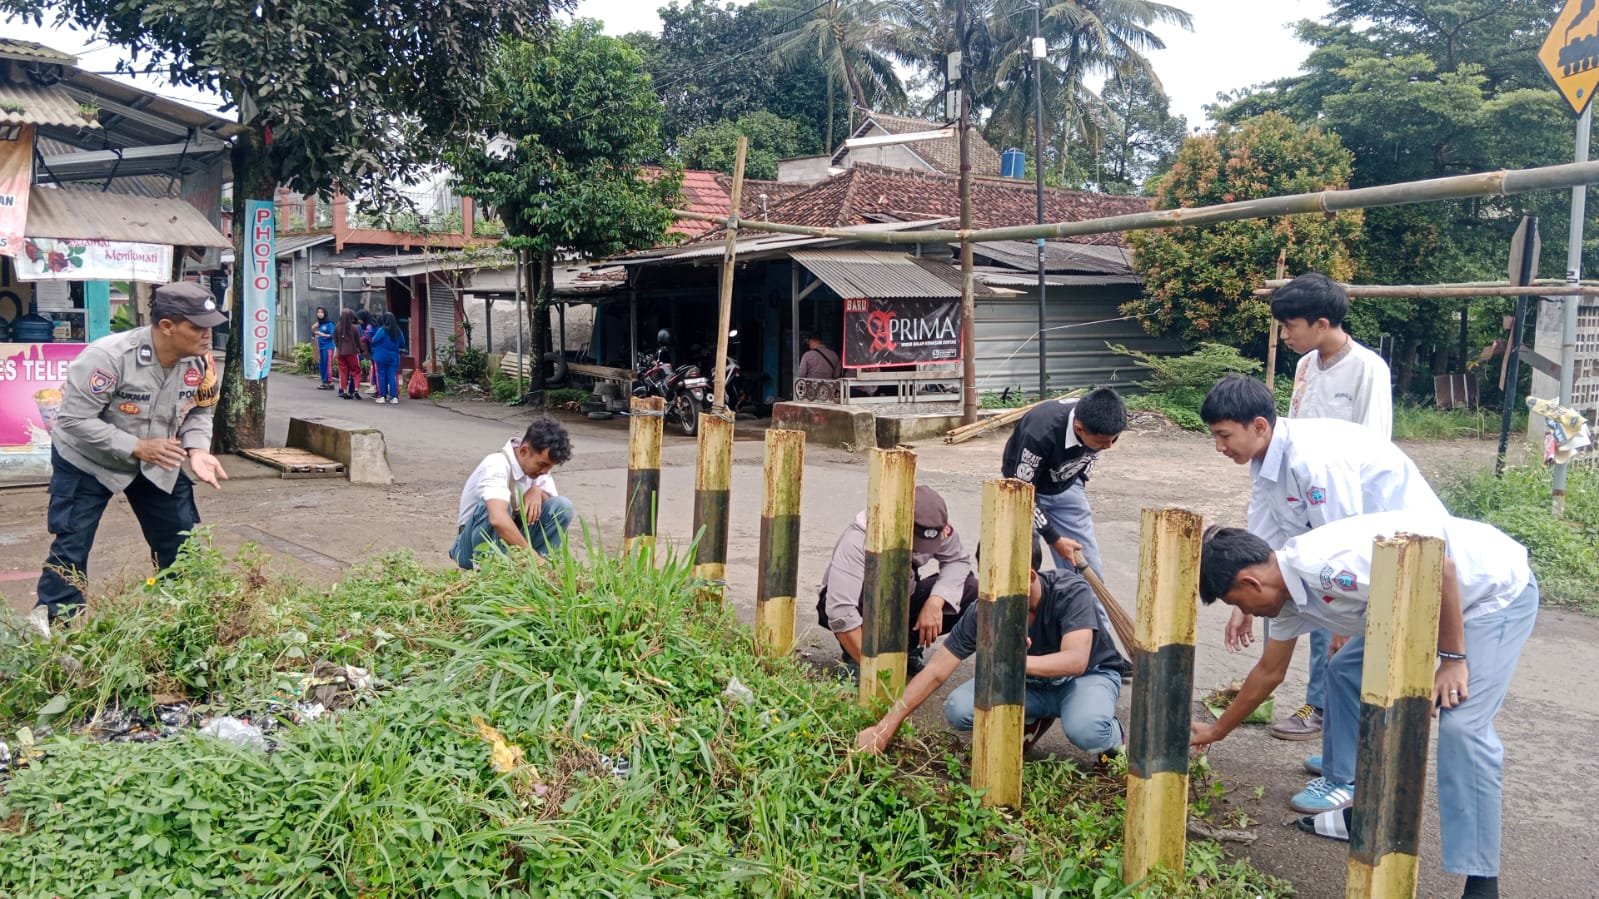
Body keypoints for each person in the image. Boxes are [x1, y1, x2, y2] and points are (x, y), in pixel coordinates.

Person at [1191, 514, 1537, 899]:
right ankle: (1366, 809)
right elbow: (1269, 672)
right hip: (1411, 602)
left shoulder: (1324, 567)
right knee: (1343, 671)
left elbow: (1442, 569)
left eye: (1237, 603)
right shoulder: (1287, 598)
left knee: (1463, 730)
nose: (1248, 613)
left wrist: (1453, 659)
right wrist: (1217, 730)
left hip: (1488, 594)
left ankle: (1482, 882)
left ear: (1250, 582)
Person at [1200, 374, 1443, 745]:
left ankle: (1362, 762)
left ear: (1259, 426)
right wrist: (1241, 600)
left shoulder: (1313, 460)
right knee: (1342, 669)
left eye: (1224, 435)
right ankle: (1342, 764)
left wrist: (1343, 625)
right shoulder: (1265, 461)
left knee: (1365, 671)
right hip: (1364, 566)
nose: (1219, 447)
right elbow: (1262, 540)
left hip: (1409, 561)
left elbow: (1343, 540)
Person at [34, 281, 230, 624]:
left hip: (157, 457)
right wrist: (137, 446)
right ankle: (56, 623)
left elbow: (200, 409)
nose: (207, 334)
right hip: (89, 459)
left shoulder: (200, 363)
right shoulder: (108, 358)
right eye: (197, 327)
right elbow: (74, 420)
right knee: (72, 544)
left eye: (210, 326)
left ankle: (182, 618)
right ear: (166, 326)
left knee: (181, 540)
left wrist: (197, 449)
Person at [856, 538, 1128, 759]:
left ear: (1030, 576)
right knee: (959, 709)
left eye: (998, 582)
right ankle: (1031, 717)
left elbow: (1075, 661)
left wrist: (1013, 660)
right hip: (1030, 683)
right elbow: (936, 671)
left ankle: (1114, 741)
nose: (990, 592)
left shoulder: (1070, 591)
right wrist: (884, 728)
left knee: (1087, 729)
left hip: (1086, 678)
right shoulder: (984, 610)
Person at [816, 486, 978, 676]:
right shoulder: (859, 539)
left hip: (900, 594)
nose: (919, 549)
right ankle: (857, 655)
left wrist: (936, 601)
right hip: (860, 604)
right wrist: (874, 670)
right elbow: (840, 611)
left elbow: (957, 561)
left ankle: (905, 648)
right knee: (862, 598)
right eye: (916, 542)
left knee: (970, 589)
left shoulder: (935, 527)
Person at [1000, 387, 1126, 577]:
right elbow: (1023, 492)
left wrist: (1080, 480)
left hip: (1067, 485)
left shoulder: (1099, 421)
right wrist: (1054, 538)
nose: (1108, 446)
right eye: (1101, 442)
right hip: (1022, 488)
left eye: (1113, 439)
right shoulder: (1040, 433)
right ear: (1079, 429)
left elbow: (1089, 458)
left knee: (1087, 565)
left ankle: (1085, 597)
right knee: (1023, 561)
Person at [1274, 272, 1392, 437]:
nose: (1283, 335)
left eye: (1289, 326)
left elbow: (1374, 440)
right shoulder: (1305, 364)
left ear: (1322, 325)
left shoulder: (1368, 368)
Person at [452, 416, 575, 567]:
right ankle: (489, 570)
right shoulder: (496, 464)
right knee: (494, 506)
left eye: (550, 467)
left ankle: (540, 573)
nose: (545, 471)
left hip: (511, 543)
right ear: (523, 451)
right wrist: (533, 558)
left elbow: (552, 507)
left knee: (562, 506)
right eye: (542, 464)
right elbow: (497, 519)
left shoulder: (539, 471)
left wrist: (537, 492)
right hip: (470, 548)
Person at [368, 312, 405, 405]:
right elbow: (402, 344)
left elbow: (374, 340)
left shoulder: (382, 330)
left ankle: (382, 396)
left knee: (381, 375)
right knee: (392, 376)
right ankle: (394, 397)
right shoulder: (398, 331)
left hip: (380, 356)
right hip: (393, 357)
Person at [333, 308, 363, 399]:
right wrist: (361, 350)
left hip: (340, 353)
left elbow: (335, 341)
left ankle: (345, 391)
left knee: (343, 372)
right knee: (356, 371)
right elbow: (358, 341)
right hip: (352, 352)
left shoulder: (337, 327)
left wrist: (339, 347)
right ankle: (356, 390)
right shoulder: (354, 328)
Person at [312, 306, 336, 389]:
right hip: (321, 347)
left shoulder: (330, 324)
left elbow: (333, 335)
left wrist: (322, 334)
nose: (319, 314)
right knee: (321, 364)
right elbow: (314, 335)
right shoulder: (319, 324)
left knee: (327, 364)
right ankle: (324, 381)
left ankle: (329, 383)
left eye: (321, 312)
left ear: (325, 313)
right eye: (318, 312)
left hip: (328, 347)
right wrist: (313, 329)